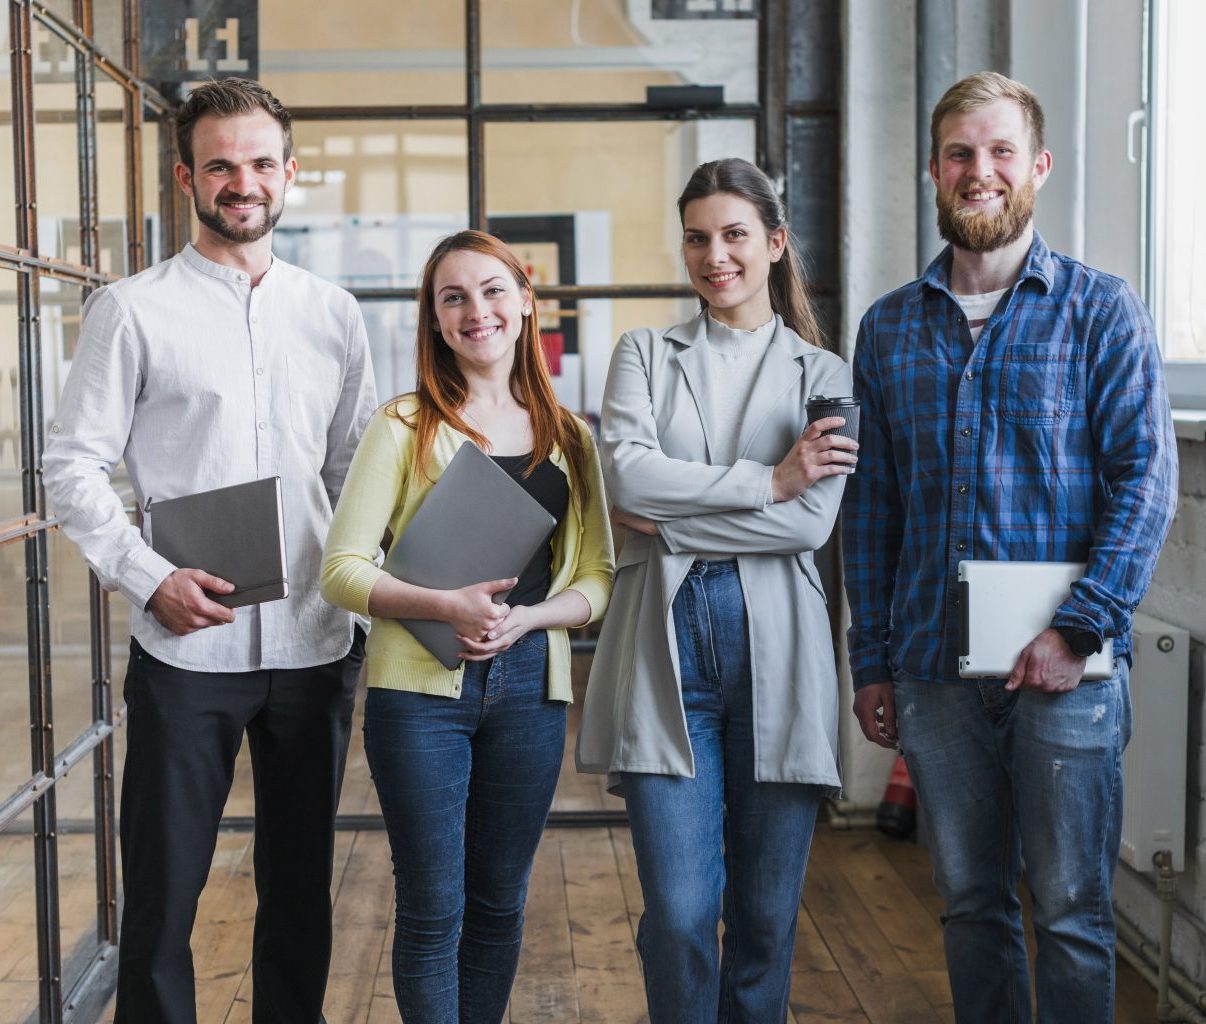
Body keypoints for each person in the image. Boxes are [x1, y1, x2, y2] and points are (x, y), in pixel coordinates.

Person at [843, 72, 1177, 1024]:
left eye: (998, 152)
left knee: (1072, 910)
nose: (977, 172)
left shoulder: (1099, 309)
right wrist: (873, 661)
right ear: (933, 172)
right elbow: (874, 508)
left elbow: (1146, 484)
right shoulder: (889, 327)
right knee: (970, 904)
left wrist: (1078, 631)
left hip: (1067, 669)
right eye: (959, 154)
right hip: (934, 672)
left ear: (1036, 167)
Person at [41, 79, 376, 1023]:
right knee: (163, 896)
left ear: (290, 173)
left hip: (314, 643)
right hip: (187, 650)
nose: (243, 182)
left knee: (300, 897)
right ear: (187, 175)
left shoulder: (334, 313)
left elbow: (355, 471)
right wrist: (150, 580)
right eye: (221, 164)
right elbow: (71, 466)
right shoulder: (132, 309)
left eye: (261, 163)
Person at [576, 157, 856, 1023]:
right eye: (697, 237)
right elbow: (627, 481)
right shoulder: (643, 355)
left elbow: (809, 528)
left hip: (782, 656)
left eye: (735, 235)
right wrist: (767, 484)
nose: (714, 255)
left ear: (774, 243)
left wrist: (682, 520)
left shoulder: (825, 374)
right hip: (665, 654)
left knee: (767, 921)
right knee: (682, 915)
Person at [319, 229, 614, 1024]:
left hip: (529, 694)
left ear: (525, 299)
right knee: (431, 909)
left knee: (497, 906)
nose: (475, 310)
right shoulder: (403, 425)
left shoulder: (570, 438)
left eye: (491, 291)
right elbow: (341, 569)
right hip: (420, 700)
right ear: (437, 321)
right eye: (453, 298)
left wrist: (527, 620)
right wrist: (444, 606)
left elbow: (597, 580)